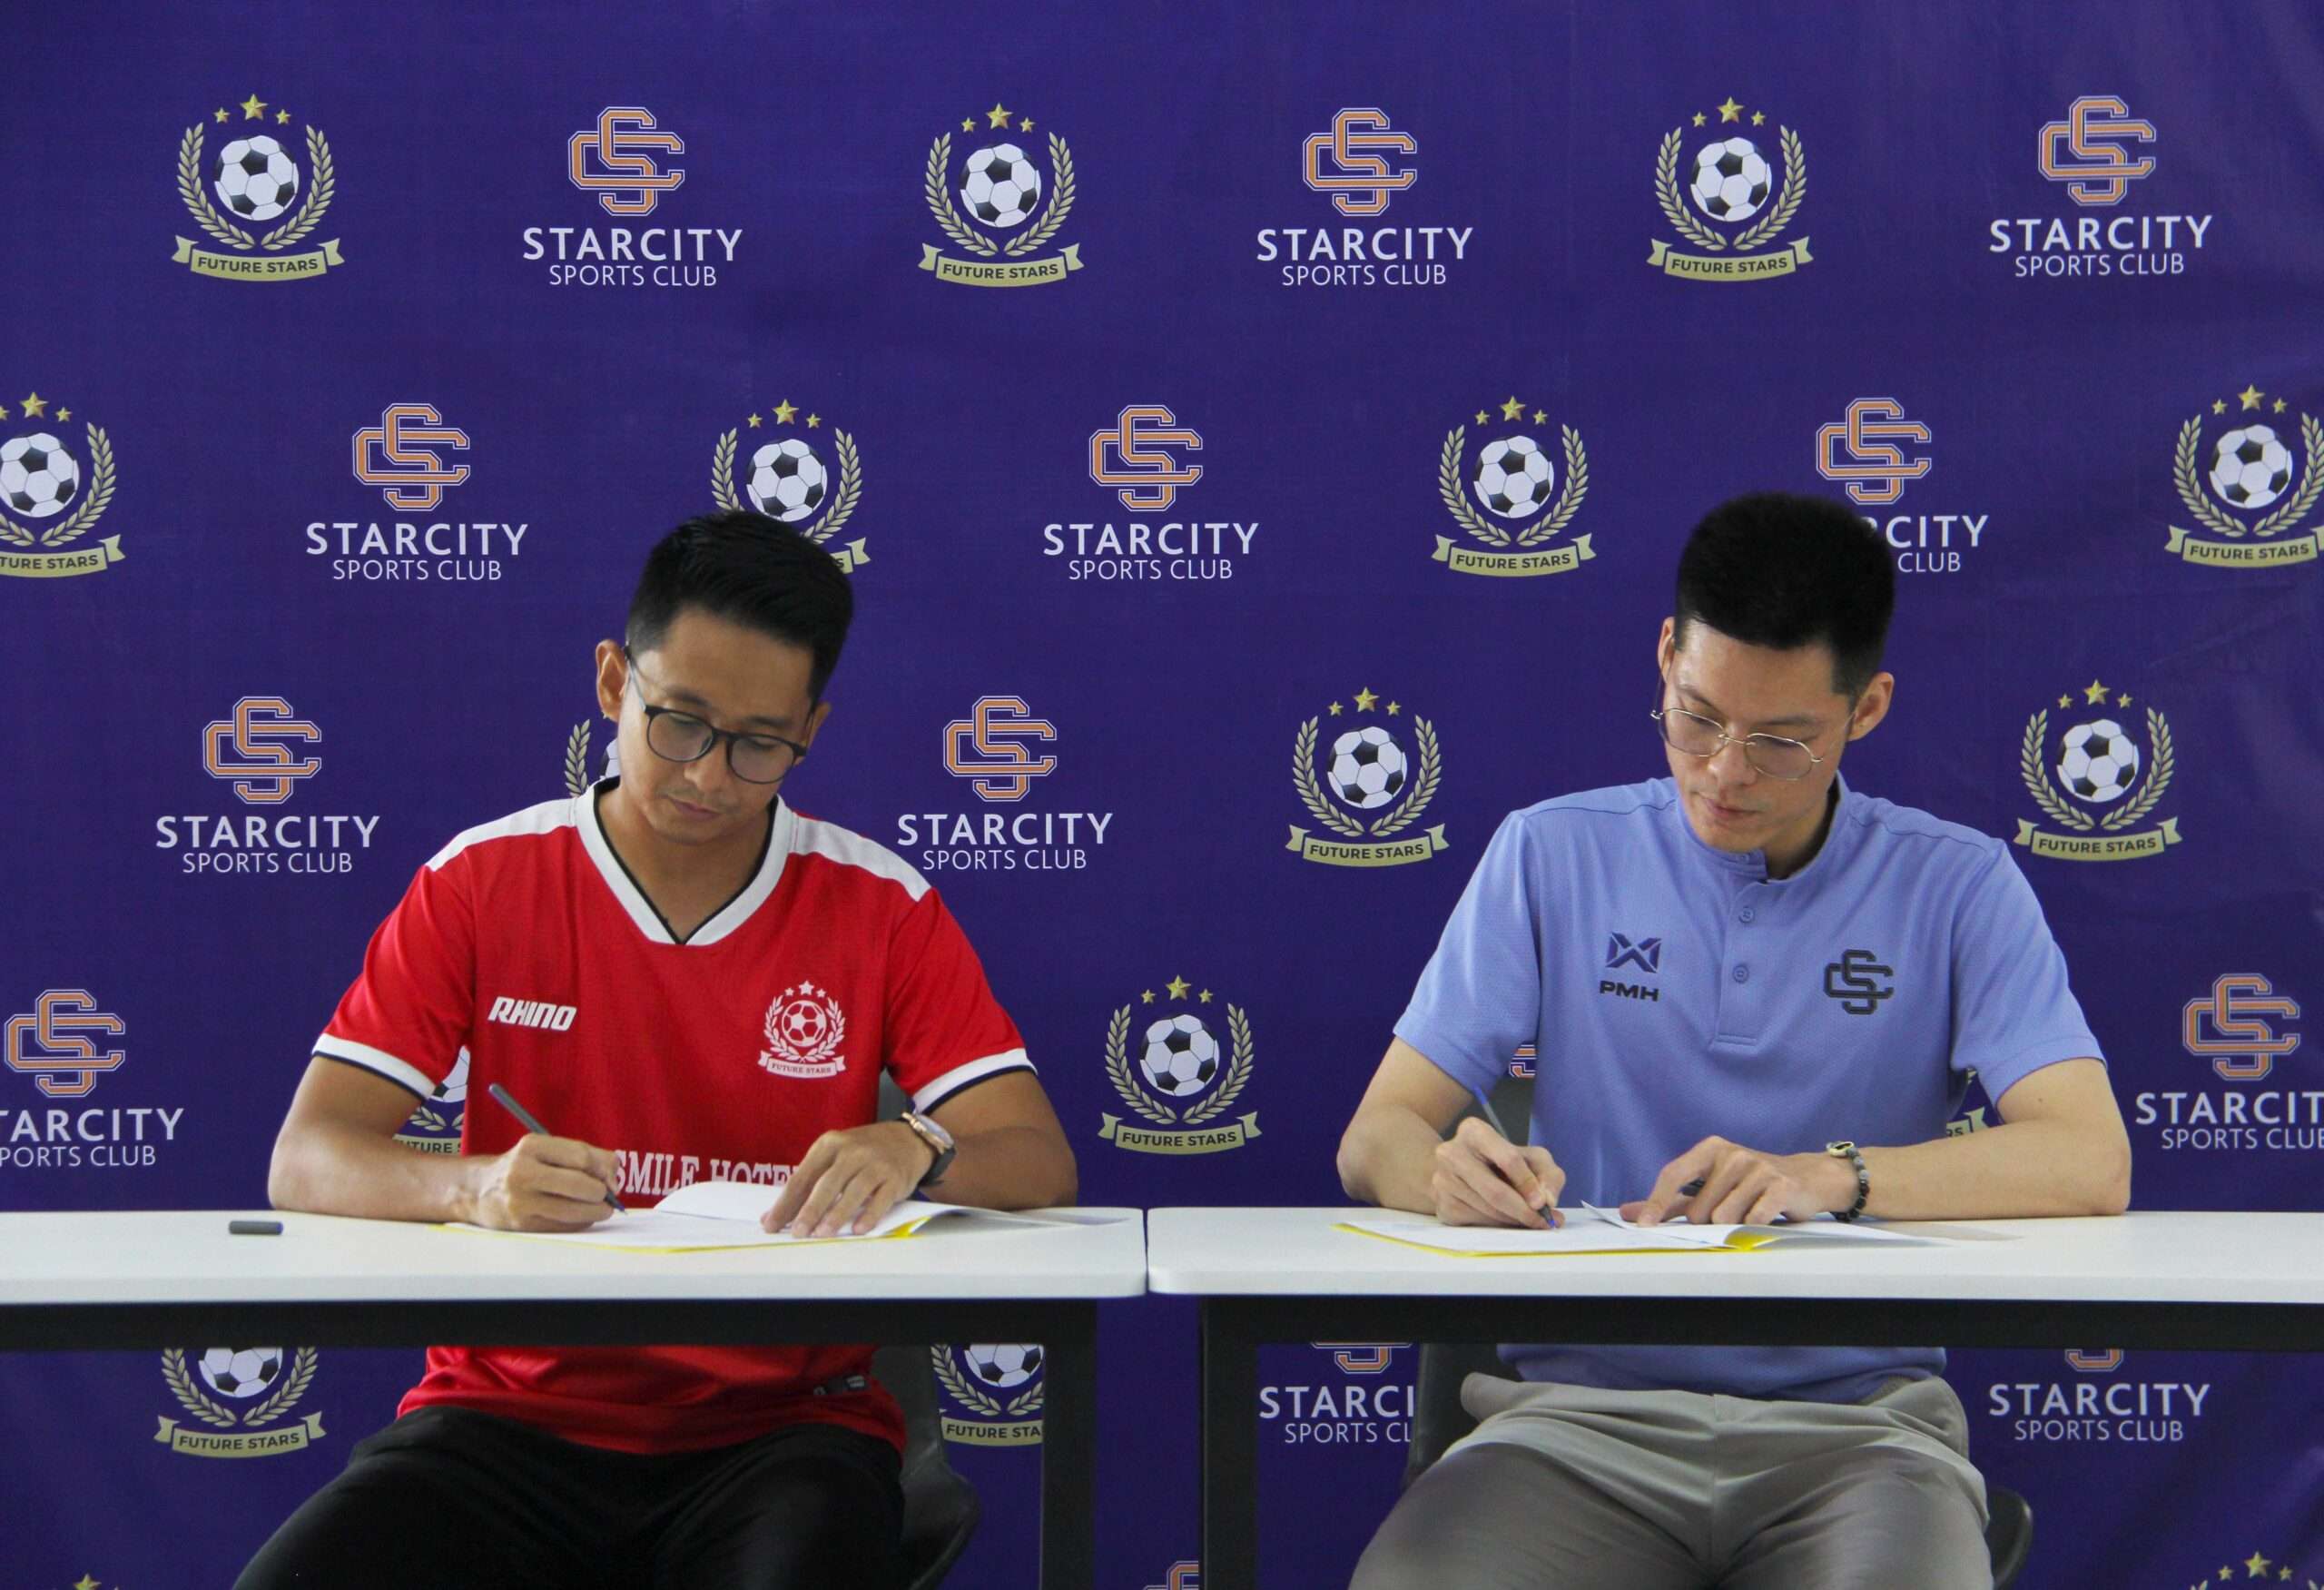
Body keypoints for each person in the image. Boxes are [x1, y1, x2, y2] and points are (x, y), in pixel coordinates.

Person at [241, 510, 1076, 1590]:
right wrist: (473, 1185)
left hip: (784, 1435)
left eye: (760, 742)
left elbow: (1038, 1156)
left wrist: (920, 1142)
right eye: (678, 720)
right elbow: (307, 1155)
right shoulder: (482, 880)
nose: (710, 774)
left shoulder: (879, 903)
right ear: (610, 683)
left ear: (811, 727)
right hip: (503, 1421)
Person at [1338, 492, 2130, 1590]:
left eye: (1779, 740)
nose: (1722, 771)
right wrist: (1440, 1172)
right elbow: (1375, 1130)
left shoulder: (1956, 883)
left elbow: (2086, 1158)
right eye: (1695, 716)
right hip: (1572, 1425)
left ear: (1868, 709)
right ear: (1665, 656)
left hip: (1861, 1436)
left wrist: (1828, 1175)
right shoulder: (1549, 853)